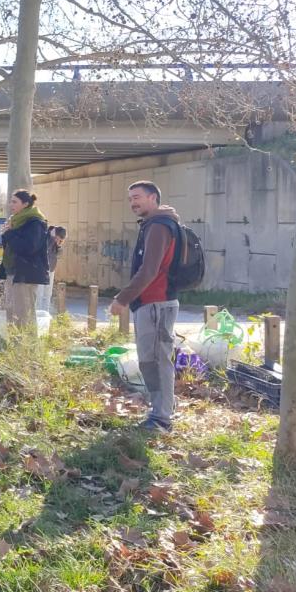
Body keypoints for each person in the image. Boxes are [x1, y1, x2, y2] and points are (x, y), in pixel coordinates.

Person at [110, 182, 182, 433]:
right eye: (130, 198)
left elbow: (149, 270)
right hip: (153, 303)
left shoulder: (159, 226)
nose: (133, 202)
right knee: (152, 361)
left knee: (156, 362)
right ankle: (163, 409)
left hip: (156, 303)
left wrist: (123, 299)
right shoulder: (156, 224)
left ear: (153, 198)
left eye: (138, 197)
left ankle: (161, 419)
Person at [0, 189, 49, 328]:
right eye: (11, 201)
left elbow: (28, 248)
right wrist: (7, 233)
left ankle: (27, 341)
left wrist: (9, 233)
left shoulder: (34, 223)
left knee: (24, 313)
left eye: (15, 202)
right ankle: (13, 340)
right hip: (13, 272)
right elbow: (10, 246)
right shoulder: (15, 221)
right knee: (11, 311)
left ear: (25, 204)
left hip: (25, 274)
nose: (11, 204)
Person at [36, 226, 67, 314]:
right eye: (59, 238)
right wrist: (52, 240)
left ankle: (46, 312)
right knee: (40, 293)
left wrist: (59, 246)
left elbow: (59, 255)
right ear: (55, 234)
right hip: (41, 269)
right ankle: (38, 313)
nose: (59, 240)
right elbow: (45, 249)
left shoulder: (57, 241)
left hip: (51, 268)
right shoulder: (45, 235)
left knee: (48, 293)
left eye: (61, 240)